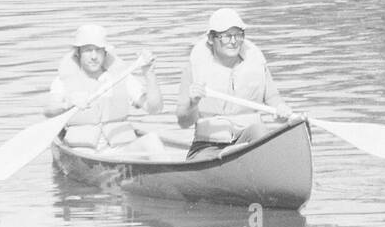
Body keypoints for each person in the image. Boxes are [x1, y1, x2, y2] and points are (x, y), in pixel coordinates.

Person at [176, 8, 296, 146]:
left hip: (249, 140)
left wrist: (282, 109)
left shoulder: (256, 63)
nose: (233, 41)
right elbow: (183, 122)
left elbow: (273, 99)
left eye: (238, 35)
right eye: (226, 36)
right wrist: (193, 103)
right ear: (211, 39)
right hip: (210, 145)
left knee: (259, 130)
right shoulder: (194, 68)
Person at [44, 23, 164, 152]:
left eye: (98, 50)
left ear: (105, 52)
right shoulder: (64, 80)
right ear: (78, 53)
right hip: (83, 151)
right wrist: (67, 104)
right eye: (88, 50)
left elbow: (154, 109)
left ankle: (166, 171)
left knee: (152, 140)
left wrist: (149, 73)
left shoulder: (121, 77)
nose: (94, 56)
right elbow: (49, 111)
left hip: (122, 151)